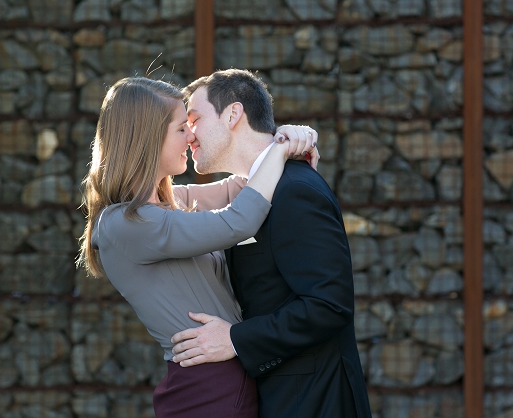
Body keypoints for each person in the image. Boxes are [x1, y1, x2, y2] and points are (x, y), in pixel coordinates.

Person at [78, 77, 318, 417]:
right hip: (207, 390)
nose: (191, 136)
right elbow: (239, 219)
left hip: (224, 380)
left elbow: (240, 186)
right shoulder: (125, 224)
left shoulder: (167, 206)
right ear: (147, 139)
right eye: (181, 129)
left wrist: (287, 142)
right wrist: (279, 150)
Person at [169, 69, 371, 417]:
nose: (189, 135)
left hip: (314, 402)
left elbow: (329, 305)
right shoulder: (254, 191)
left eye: (195, 119)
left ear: (233, 114)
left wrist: (236, 339)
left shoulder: (296, 191)